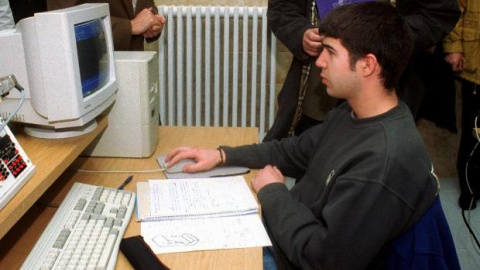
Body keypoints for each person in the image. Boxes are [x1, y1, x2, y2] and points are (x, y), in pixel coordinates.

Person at [165, 2, 439, 269]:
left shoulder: (381, 163)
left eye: (330, 52)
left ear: (367, 65)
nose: (319, 61)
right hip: (286, 233)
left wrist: (273, 194)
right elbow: (294, 151)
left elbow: (322, 259)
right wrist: (222, 155)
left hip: (292, 256)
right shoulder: (350, 113)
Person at [264, 0, 460, 142]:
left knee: (375, 161)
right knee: (313, 166)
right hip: (320, 91)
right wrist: (301, 33)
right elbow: (282, 8)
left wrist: (388, 35)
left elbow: (440, 14)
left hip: (383, 88)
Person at [443, 0, 480, 210]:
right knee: (473, 132)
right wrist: (453, 48)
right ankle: (470, 190)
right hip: (476, 66)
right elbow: (453, 12)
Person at [47, 0, 165, 51]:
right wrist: (130, 26)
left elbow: (143, 4)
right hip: (95, 69)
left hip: (133, 62)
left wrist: (152, 19)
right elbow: (61, 21)